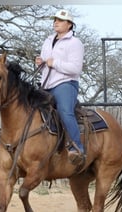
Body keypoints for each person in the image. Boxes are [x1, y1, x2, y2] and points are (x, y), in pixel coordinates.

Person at [35, 9, 85, 166]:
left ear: (69, 25)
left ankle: (76, 148)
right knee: (27, 109)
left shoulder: (75, 43)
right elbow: (46, 63)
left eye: (60, 20)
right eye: (55, 19)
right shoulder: (48, 40)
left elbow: (75, 68)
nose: (55, 22)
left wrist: (54, 63)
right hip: (46, 84)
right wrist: (41, 63)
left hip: (66, 84)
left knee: (65, 111)